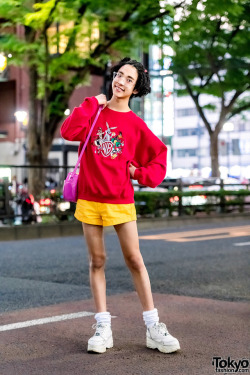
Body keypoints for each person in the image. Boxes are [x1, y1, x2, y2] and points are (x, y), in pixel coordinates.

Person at [61, 57, 180, 354]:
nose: (121, 81)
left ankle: (153, 327)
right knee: (97, 261)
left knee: (135, 260)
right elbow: (68, 131)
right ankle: (103, 327)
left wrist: (139, 173)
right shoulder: (94, 111)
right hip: (89, 198)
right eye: (119, 75)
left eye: (129, 79)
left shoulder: (136, 125)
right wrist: (91, 102)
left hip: (120, 200)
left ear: (136, 89)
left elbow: (159, 158)